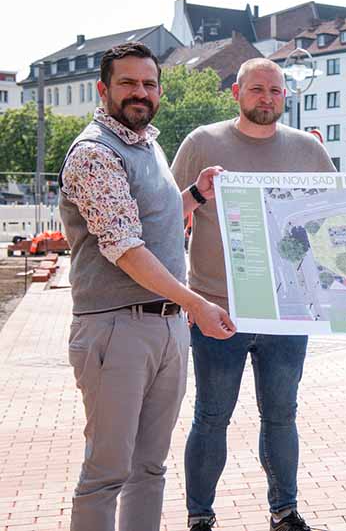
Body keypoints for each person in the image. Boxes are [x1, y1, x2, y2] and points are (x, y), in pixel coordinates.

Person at [59, 41, 235, 531]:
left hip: (166, 324)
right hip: (117, 329)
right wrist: (198, 303)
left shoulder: (148, 145)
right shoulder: (95, 153)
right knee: (107, 473)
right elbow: (126, 250)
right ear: (103, 89)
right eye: (128, 83)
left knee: (150, 469)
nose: (140, 92)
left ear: (160, 89)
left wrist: (195, 194)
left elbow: (154, 227)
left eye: (149, 83)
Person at [171, 58, 337, 531]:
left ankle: (284, 511)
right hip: (216, 309)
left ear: (286, 97)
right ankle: (199, 517)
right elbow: (167, 214)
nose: (267, 98)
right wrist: (184, 299)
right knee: (211, 416)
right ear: (237, 93)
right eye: (258, 89)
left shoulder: (307, 149)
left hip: (286, 312)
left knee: (282, 415)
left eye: (276, 91)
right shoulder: (202, 142)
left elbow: (342, 209)